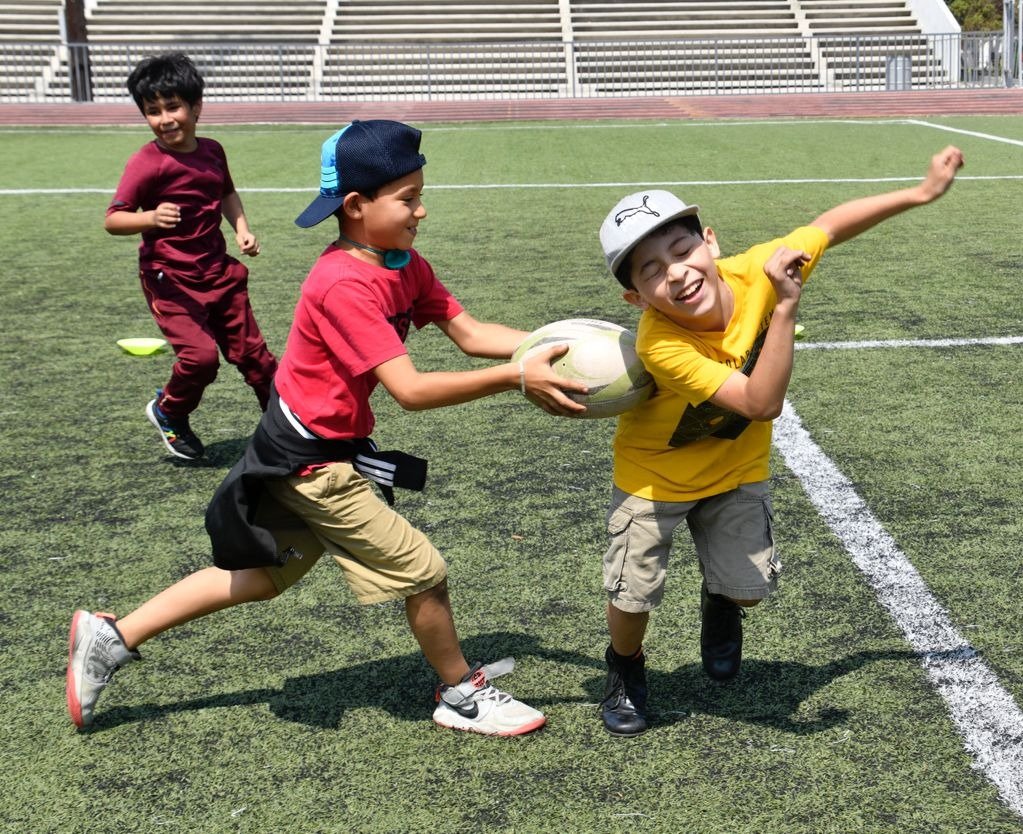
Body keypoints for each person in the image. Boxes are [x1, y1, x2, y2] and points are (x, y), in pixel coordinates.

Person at [67, 119, 587, 736]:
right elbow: (412, 390)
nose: (422, 210)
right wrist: (515, 377)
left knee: (265, 577)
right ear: (356, 206)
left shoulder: (402, 263)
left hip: (313, 447)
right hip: (311, 463)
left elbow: (472, 334)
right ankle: (460, 695)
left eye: (421, 193)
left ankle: (111, 636)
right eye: (408, 198)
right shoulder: (343, 282)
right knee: (423, 571)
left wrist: (553, 342)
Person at [594, 146, 965, 736]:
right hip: (654, 476)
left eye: (682, 249)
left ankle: (720, 602)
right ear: (635, 297)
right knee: (633, 593)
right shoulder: (659, 343)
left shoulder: (758, 267)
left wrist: (920, 192)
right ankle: (625, 667)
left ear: (709, 242)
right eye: (650, 270)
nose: (676, 272)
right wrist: (787, 309)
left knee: (748, 591)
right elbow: (761, 404)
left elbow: (827, 226)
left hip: (736, 469)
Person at [105, 52, 278, 461]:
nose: (164, 119)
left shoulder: (213, 151)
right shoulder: (147, 162)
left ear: (196, 107)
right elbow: (113, 220)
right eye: (152, 111)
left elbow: (226, 194)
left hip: (218, 272)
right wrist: (148, 217)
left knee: (256, 357)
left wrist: (242, 230)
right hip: (171, 280)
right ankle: (169, 411)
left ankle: (282, 428)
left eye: (173, 106)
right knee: (200, 359)